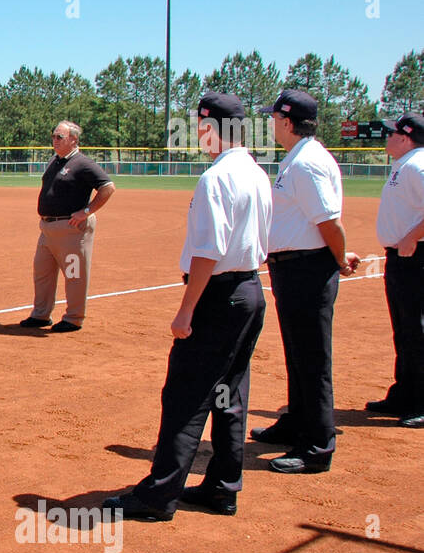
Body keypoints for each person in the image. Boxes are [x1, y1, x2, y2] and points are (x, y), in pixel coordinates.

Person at [104, 93, 272, 521]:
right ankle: (222, 488)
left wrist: (186, 310)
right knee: (229, 395)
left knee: (185, 396)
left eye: (200, 124)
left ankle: (158, 497)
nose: (198, 132)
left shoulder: (216, 178)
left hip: (218, 296)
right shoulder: (256, 171)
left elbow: (207, 252)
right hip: (250, 290)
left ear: (213, 125)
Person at [250, 89, 360, 474]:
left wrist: (339, 259)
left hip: (308, 269)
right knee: (299, 353)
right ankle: (298, 422)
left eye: (273, 118)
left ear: (286, 121)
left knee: (312, 357)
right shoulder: (298, 158)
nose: (270, 124)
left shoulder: (307, 163)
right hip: (294, 267)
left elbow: (329, 222)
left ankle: (317, 446)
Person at [18, 121, 115, 332]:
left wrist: (87, 211)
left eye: (59, 137)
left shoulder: (82, 163)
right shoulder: (55, 160)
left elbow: (107, 187)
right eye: (53, 136)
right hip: (48, 230)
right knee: (42, 273)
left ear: (73, 140)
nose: (54, 140)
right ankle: (41, 315)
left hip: (71, 230)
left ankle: (74, 318)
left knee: (74, 274)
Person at [368, 113, 424, 428]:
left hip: (417, 256)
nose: (386, 138)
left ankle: (420, 399)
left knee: (416, 329)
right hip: (403, 258)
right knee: (404, 328)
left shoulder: (417, 165)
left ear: (405, 137)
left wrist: (412, 236)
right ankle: (404, 392)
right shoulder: (405, 164)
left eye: (391, 133)